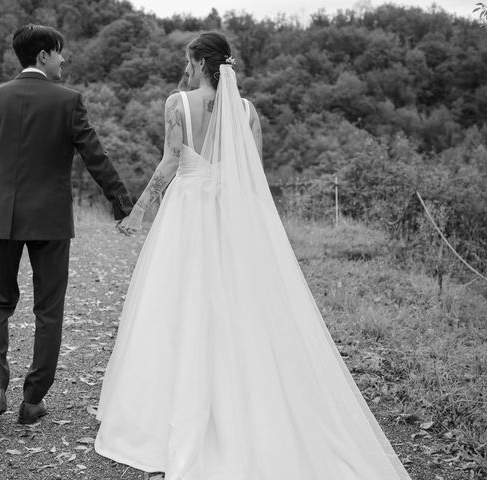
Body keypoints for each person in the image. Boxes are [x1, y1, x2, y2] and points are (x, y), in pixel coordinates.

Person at [95, 32, 412, 479]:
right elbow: (253, 177)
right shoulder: (247, 111)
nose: (185, 70)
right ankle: (242, 398)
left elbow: (169, 162)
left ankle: (167, 410)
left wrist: (139, 213)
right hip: (229, 216)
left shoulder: (176, 104)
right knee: (235, 304)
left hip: (186, 215)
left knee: (176, 302)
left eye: (189, 61)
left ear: (202, 64)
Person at [0, 24, 133, 425]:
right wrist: (121, 201)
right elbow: (95, 154)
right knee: (49, 310)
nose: (65, 60)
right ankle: (32, 400)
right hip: (50, 221)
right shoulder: (68, 101)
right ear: (43, 55)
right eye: (61, 53)